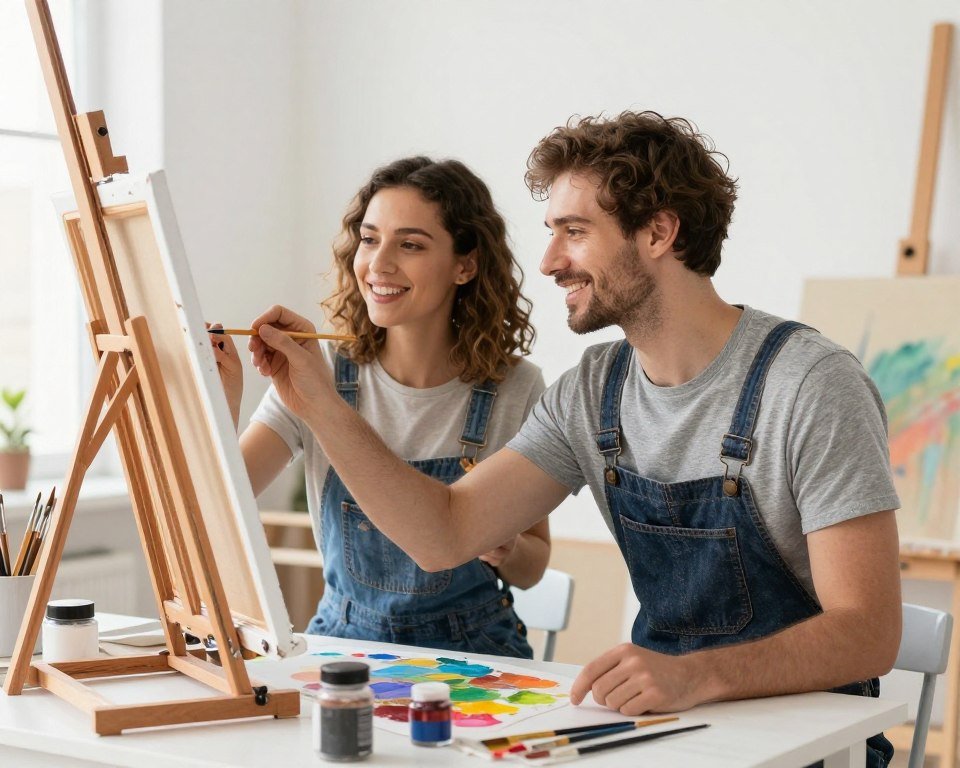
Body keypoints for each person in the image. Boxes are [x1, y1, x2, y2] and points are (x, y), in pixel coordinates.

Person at [246, 113, 901, 765]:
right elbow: (443, 534)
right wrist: (319, 402)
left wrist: (696, 674)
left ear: (658, 233)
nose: (551, 261)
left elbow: (868, 633)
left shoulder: (811, 386)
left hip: (810, 743)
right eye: (551, 232)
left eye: (575, 232)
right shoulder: (595, 391)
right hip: (670, 732)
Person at [214, 156, 549, 658]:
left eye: (410, 244)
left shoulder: (515, 388)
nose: (379, 263)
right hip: (343, 644)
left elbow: (533, 566)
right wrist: (223, 403)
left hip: (475, 653)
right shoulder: (316, 369)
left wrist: (507, 548)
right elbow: (220, 508)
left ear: (466, 264)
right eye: (370, 239)